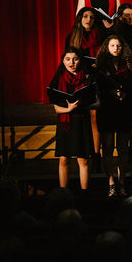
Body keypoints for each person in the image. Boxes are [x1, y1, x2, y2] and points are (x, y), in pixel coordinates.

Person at [94, 35, 132, 196]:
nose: (116, 48)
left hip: (124, 109)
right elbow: (98, 88)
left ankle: (122, 181)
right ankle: (111, 182)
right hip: (107, 109)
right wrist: (110, 92)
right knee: (108, 148)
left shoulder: (127, 64)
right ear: (107, 47)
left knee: (122, 148)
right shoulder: (101, 66)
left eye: (118, 45)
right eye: (112, 45)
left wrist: (125, 94)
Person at [50, 47, 95, 190]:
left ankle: (85, 193)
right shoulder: (59, 78)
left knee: (83, 160)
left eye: (75, 59)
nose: (72, 62)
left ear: (80, 60)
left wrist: (85, 102)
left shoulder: (87, 76)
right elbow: (56, 108)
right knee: (64, 159)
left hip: (82, 120)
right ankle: (63, 193)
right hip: (65, 122)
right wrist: (68, 109)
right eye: (68, 59)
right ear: (63, 61)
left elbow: (94, 100)